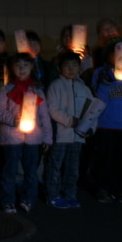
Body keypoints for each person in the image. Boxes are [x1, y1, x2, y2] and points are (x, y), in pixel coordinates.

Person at [0, 52, 52, 214]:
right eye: (18, 65)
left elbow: (44, 115)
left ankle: (28, 199)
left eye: (25, 65)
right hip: (11, 137)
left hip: (33, 138)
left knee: (31, 171)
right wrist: (12, 120)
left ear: (32, 67)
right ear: (12, 68)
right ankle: (8, 200)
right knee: (9, 170)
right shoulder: (7, 89)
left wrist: (47, 137)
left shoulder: (38, 90)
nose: (21, 68)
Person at [90, 38, 122, 204]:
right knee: (105, 158)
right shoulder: (100, 73)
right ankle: (103, 188)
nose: (121, 57)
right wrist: (105, 83)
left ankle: (121, 189)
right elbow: (97, 98)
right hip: (105, 124)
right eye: (117, 54)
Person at [45, 51, 97, 209]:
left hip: (78, 136)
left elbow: (92, 111)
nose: (71, 69)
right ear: (59, 68)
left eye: (74, 65)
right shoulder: (55, 86)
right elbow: (52, 109)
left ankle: (70, 194)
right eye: (67, 66)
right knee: (55, 165)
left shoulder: (84, 88)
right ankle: (52, 195)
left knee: (73, 167)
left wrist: (90, 129)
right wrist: (71, 121)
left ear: (80, 67)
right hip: (60, 135)